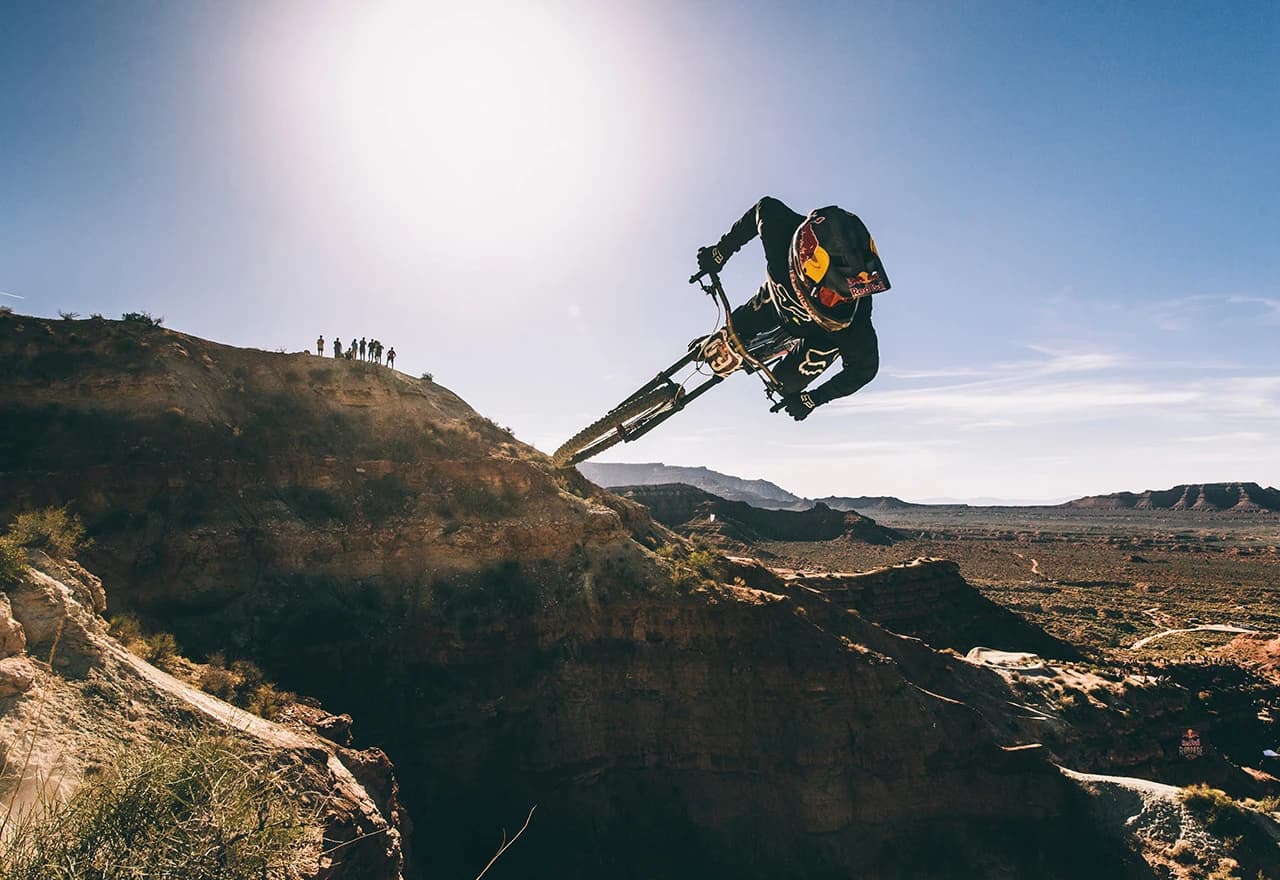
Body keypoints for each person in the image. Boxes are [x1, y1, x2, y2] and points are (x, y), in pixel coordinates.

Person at [695, 197, 889, 421]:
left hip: (820, 338)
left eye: (853, 294)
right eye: (831, 293)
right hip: (778, 300)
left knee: (784, 384)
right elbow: (763, 208)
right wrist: (720, 252)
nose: (842, 302)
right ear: (805, 266)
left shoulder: (857, 319)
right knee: (735, 327)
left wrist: (813, 399)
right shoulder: (780, 231)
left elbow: (864, 370)